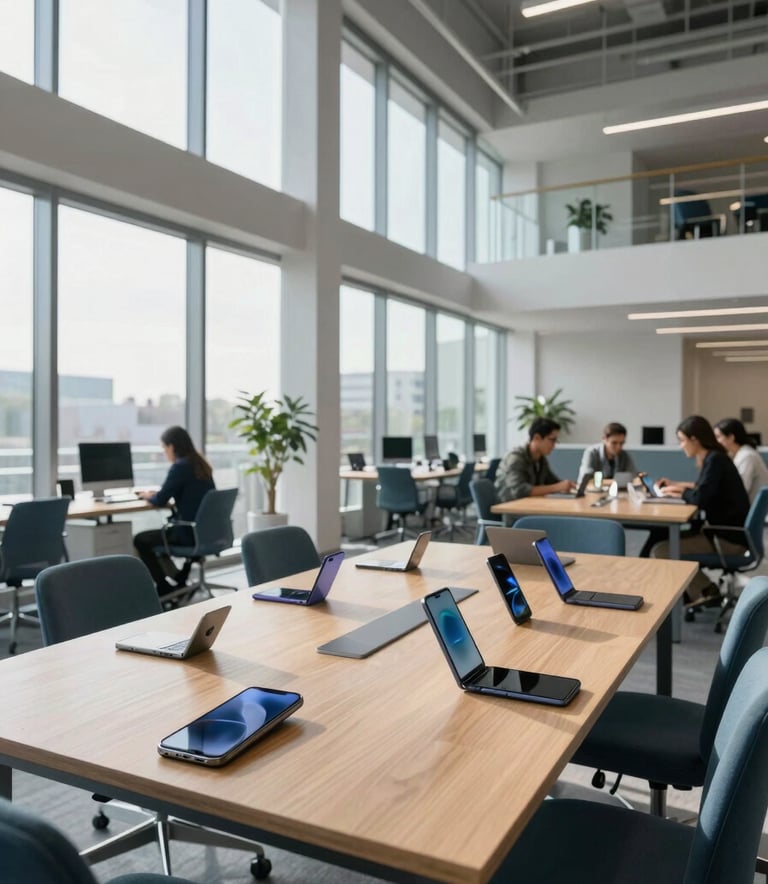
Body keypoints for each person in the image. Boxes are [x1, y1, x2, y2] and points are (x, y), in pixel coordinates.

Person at [641, 415, 750, 601]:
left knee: (661, 550)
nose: (681, 446)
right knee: (661, 537)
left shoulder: (715, 460)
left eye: (682, 440)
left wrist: (679, 492)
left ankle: (706, 591)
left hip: (726, 539)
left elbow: (699, 497)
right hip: (725, 533)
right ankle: (689, 595)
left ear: (695, 439)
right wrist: (677, 487)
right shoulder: (715, 458)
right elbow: (702, 488)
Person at [134, 426, 215, 598]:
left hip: (188, 533)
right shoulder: (201, 464)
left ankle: (164, 587)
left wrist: (148, 496)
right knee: (158, 537)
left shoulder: (180, 467)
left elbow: (160, 500)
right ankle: (178, 578)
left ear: (171, 446)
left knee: (141, 540)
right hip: (206, 532)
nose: (165, 452)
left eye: (164, 448)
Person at [494, 417, 576, 502]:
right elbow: (519, 490)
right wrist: (557, 487)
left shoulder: (540, 459)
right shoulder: (516, 457)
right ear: (537, 438)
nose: (554, 445)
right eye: (552, 440)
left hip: (528, 503)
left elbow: (553, 482)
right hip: (508, 506)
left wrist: (569, 486)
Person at [713, 417, 768, 503]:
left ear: (731, 437)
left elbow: (740, 490)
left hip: (754, 509)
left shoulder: (747, 456)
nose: (716, 441)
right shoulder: (740, 454)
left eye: (718, 437)